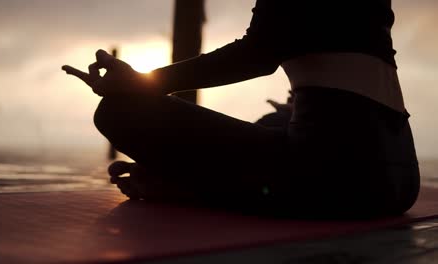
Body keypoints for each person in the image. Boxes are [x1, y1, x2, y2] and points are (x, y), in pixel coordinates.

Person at [62, 0, 420, 219]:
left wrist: (140, 84)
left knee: (117, 111)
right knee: (276, 125)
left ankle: (184, 186)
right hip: (400, 176)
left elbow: (257, 53)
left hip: (336, 177)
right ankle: (187, 181)